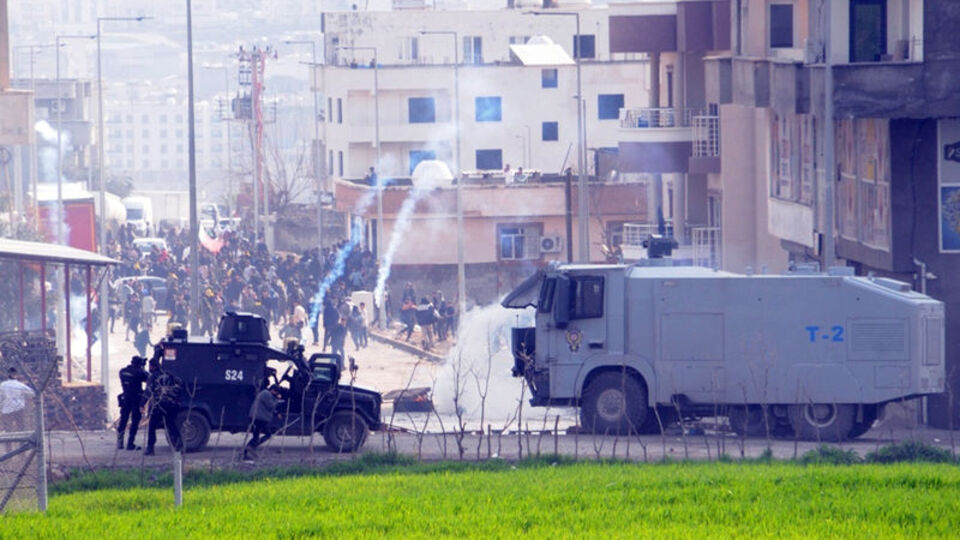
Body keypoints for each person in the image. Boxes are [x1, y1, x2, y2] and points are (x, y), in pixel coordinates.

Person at [144, 357, 184, 456]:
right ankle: (180, 447)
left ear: (152, 367)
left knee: (152, 426)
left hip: (158, 405)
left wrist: (142, 404)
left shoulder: (152, 377)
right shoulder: (169, 375)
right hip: (170, 404)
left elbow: (148, 391)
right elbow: (180, 384)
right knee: (172, 426)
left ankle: (150, 448)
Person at [116, 356, 148, 450]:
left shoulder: (122, 371)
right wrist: (143, 368)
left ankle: (120, 443)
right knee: (135, 421)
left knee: (123, 420)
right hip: (136, 399)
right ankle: (130, 443)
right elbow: (148, 378)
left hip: (125, 398)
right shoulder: (139, 372)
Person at [243, 385, 282, 461]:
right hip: (258, 418)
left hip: (259, 418)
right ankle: (249, 449)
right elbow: (271, 406)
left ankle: (248, 451)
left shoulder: (266, 394)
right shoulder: (266, 394)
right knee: (265, 434)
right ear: (273, 390)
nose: (277, 394)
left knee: (257, 436)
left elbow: (269, 407)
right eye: (276, 392)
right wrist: (277, 400)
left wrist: (276, 413)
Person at [0, 367, 35, 432]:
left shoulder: (2, 385)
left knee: (8, 429)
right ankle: (21, 441)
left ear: (8, 374)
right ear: (16, 375)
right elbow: (32, 393)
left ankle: (9, 442)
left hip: (7, 410)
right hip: (18, 409)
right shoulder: (20, 385)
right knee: (21, 428)